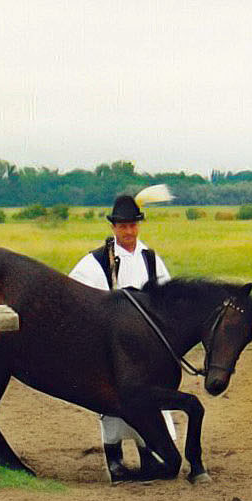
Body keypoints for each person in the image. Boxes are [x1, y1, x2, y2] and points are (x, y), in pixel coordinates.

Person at [68, 184, 178, 481]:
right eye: (123, 226)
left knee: (150, 401)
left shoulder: (151, 259)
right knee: (113, 405)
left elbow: (166, 300)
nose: (128, 232)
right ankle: (114, 458)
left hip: (147, 350)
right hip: (112, 349)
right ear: (114, 227)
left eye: (132, 225)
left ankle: (147, 454)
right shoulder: (95, 262)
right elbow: (77, 298)